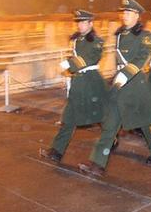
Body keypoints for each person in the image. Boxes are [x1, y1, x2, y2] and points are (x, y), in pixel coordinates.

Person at [78, 0, 151, 177]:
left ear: (137, 15)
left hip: (135, 84)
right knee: (110, 124)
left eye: (128, 12)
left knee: (144, 122)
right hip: (119, 85)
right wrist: (115, 76)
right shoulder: (119, 34)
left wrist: (126, 73)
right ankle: (98, 164)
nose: (124, 15)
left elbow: (142, 58)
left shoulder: (146, 36)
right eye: (123, 12)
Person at [39, 10, 107, 163]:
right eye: (79, 22)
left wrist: (69, 64)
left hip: (91, 82)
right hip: (78, 82)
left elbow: (90, 58)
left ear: (91, 23)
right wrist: (69, 63)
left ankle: (111, 138)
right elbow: (76, 57)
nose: (81, 25)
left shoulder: (97, 40)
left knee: (100, 115)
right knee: (69, 118)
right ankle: (57, 151)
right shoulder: (76, 40)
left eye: (84, 22)